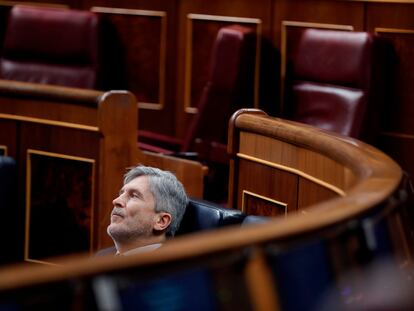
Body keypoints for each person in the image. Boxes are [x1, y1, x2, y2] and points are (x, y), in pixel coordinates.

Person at [101, 165, 188, 256]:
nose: (116, 201)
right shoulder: (101, 257)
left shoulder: (174, 269)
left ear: (161, 221)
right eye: (121, 194)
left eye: (134, 195)